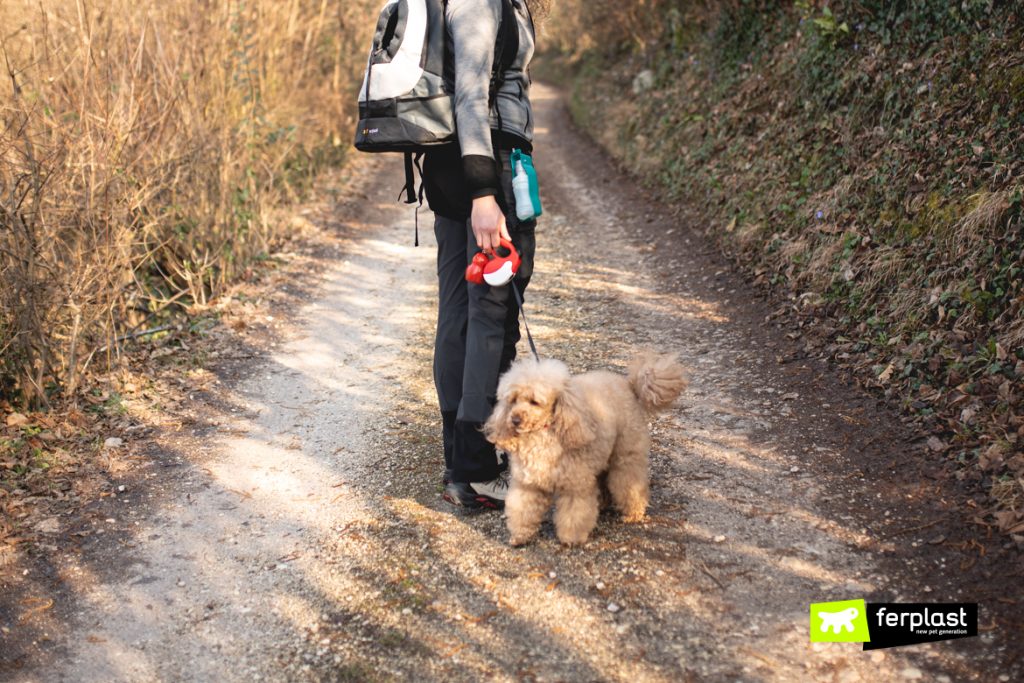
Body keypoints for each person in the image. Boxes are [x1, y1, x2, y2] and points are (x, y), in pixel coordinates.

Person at [423, 0, 539, 510]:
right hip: (483, 169)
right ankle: (474, 468)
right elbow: (471, 96)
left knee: (461, 316)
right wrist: (484, 195)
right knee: (489, 318)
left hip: (458, 168)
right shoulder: (476, 3)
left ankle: (460, 466)